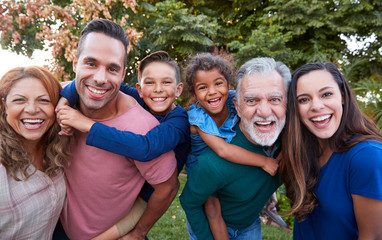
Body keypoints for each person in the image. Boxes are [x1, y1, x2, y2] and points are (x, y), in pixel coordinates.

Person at [55, 19, 179, 239]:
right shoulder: (57, 97)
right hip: (58, 228)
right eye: (91, 63)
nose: (100, 78)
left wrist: (139, 232)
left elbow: (167, 188)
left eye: (112, 68)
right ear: (75, 63)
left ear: (122, 75)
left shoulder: (144, 128)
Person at [180, 57, 291, 240]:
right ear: (193, 92)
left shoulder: (233, 98)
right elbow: (223, 150)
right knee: (212, 207)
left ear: (228, 83)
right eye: (203, 87)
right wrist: (264, 161)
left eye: (218, 83)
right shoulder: (198, 116)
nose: (212, 92)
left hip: (246, 216)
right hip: (201, 160)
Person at [279, 62, 382, 239]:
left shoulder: (367, 156)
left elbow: (372, 236)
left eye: (326, 94)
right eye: (304, 99)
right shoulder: (302, 151)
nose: (316, 106)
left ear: (342, 96)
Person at [0, 66, 72, 239]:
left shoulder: (58, 150)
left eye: (44, 100)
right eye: (19, 100)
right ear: (4, 107)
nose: (32, 109)